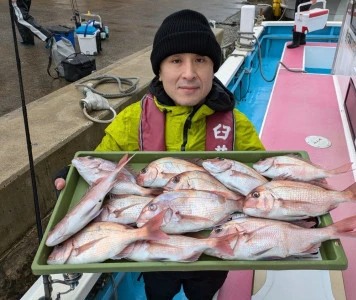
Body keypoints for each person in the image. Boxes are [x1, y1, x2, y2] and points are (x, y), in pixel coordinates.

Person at [54, 9, 265, 300]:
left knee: (204, 292)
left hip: (214, 249)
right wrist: (70, 173)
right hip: (155, 250)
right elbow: (102, 159)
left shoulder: (237, 125)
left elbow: (262, 178)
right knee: (158, 291)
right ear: (160, 69)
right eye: (176, 60)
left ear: (213, 68)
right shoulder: (132, 120)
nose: (189, 73)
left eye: (200, 60)